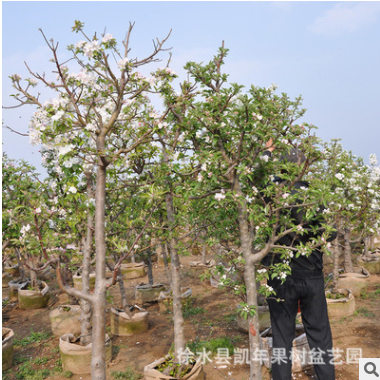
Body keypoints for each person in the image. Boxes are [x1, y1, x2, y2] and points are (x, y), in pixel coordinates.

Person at [261, 139, 337, 380]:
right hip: (312, 276)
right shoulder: (315, 197)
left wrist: (267, 153)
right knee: (320, 336)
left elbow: (254, 179)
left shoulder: (272, 196)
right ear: (303, 167)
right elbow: (331, 233)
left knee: (282, 338)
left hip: (281, 277)